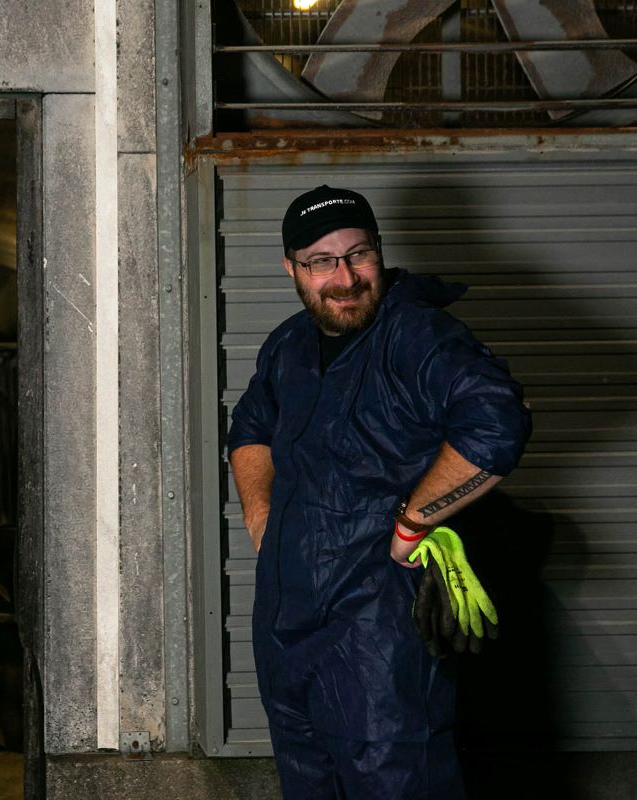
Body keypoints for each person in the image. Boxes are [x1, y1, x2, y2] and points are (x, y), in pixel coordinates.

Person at [226, 185, 530, 799]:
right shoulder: (289, 345)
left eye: (358, 254)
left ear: (379, 251)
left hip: (376, 638)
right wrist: (262, 515)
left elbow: (497, 424)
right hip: (287, 629)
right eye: (320, 262)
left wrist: (415, 521)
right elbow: (250, 429)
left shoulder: (417, 335)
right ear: (291, 268)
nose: (344, 278)